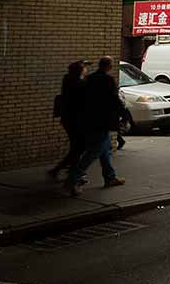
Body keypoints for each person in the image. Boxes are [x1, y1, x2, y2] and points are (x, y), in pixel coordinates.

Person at [65, 57, 125, 196]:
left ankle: (110, 177)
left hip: (90, 120)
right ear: (109, 67)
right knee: (92, 153)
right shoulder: (107, 80)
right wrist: (124, 116)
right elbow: (114, 99)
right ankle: (72, 180)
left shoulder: (90, 79)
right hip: (100, 121)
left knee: (106, 149)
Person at [47, 60, 87, 183]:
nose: (86, 69)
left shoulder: (69, 80)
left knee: (77, 147)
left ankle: (68, 171)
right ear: (79, 71)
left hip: (69, 119)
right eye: (84, 68)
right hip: (75, 119)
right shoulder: (77, 83)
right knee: (78, 147)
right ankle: (72, 173)